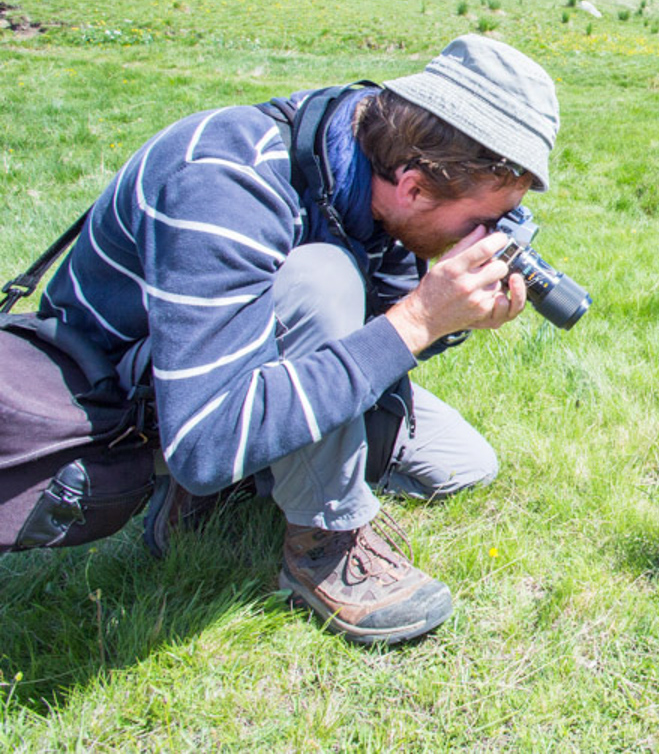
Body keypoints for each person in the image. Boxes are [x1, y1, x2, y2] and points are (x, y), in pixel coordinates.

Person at [38, 35, 561, 645]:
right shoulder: (226, 181)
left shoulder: (370, 174)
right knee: (323, 276)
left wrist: (447, 319)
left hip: (248, 369)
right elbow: (203, 440)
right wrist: (418, 320)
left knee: (462, 464)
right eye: (484, 219)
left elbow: (373, 333)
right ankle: (324, 545)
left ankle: (248, 484)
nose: (490, 235)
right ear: (415, 187)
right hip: (143, 401)